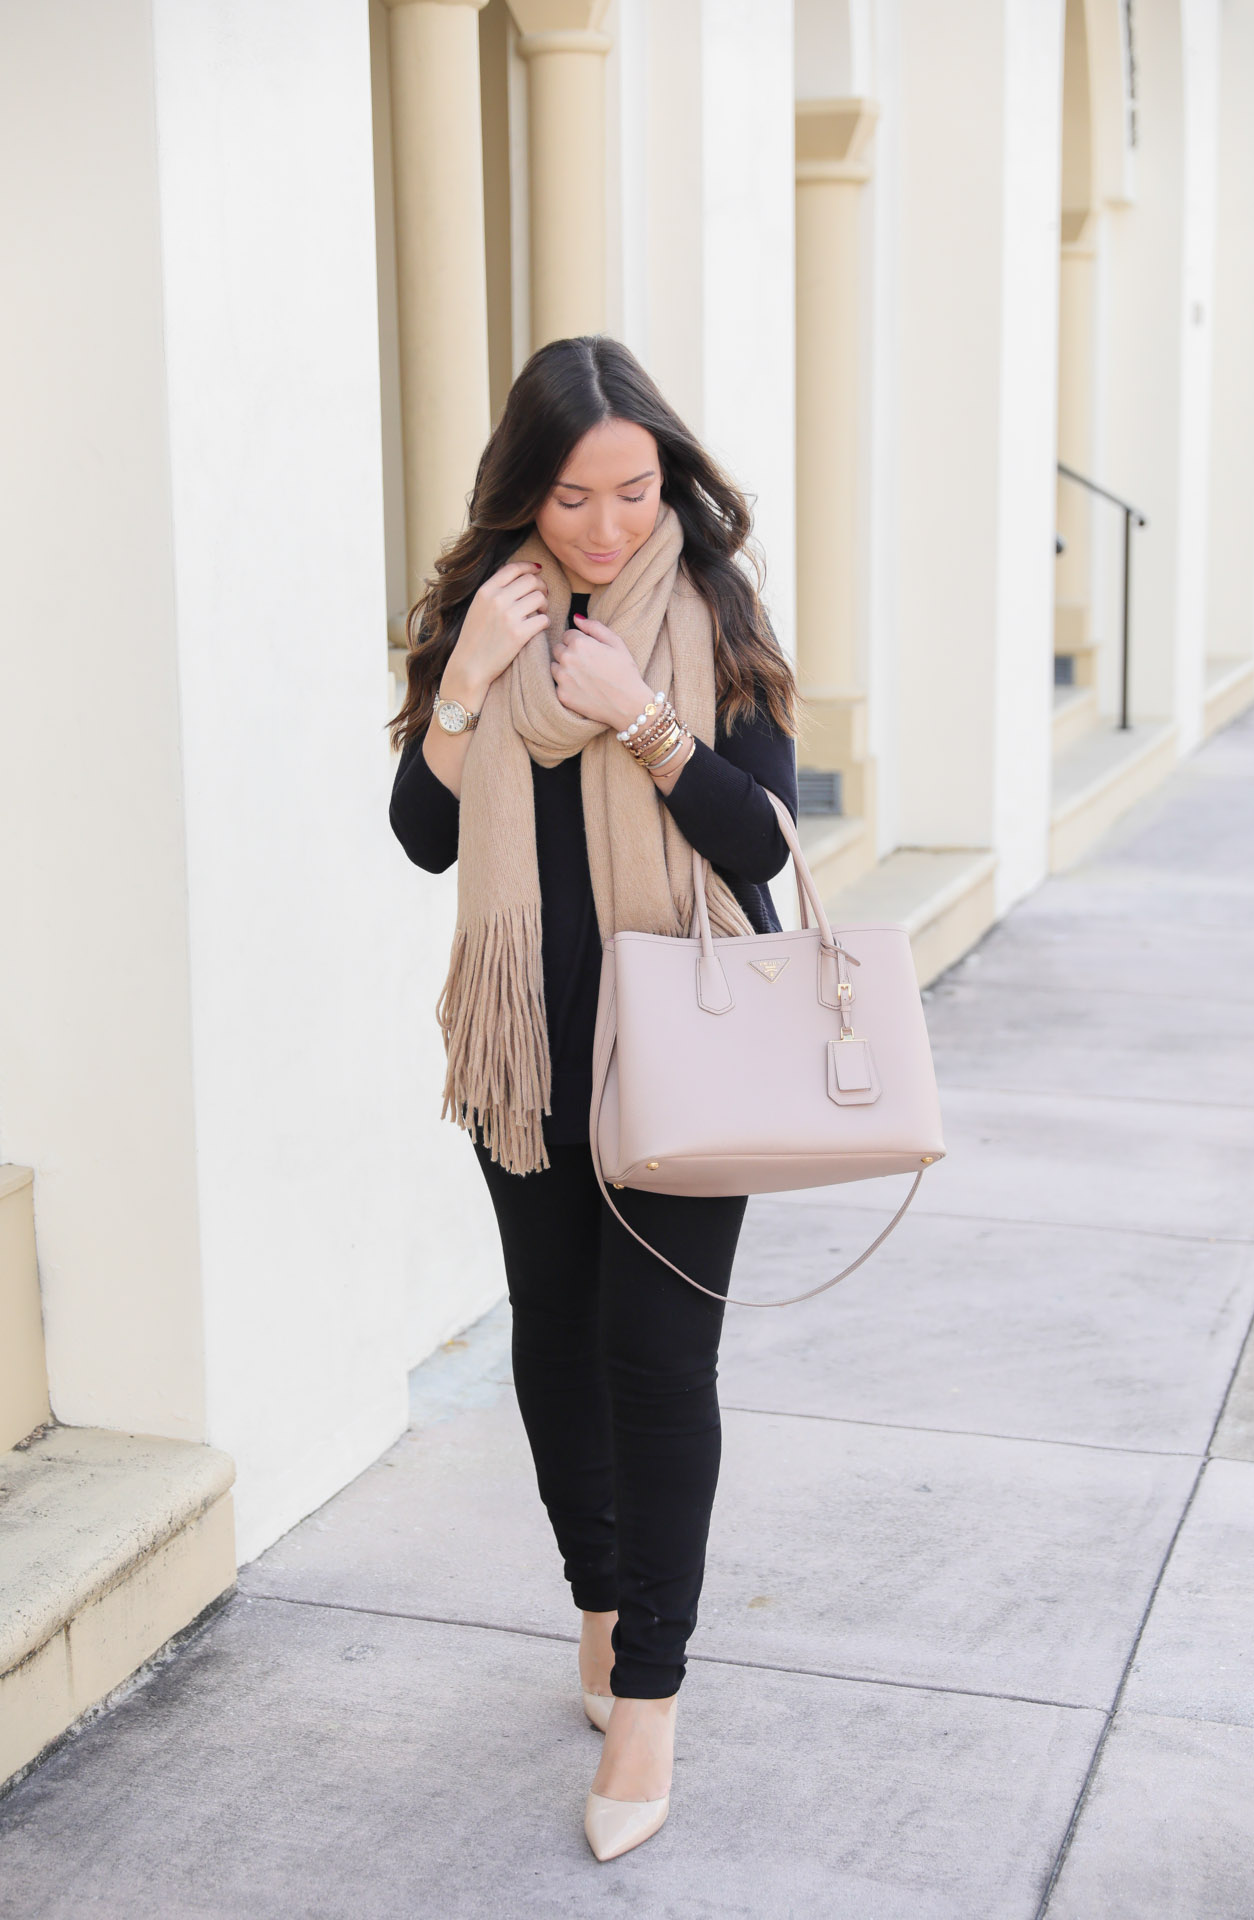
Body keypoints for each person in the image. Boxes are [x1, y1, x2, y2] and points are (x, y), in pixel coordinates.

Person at [389, 334, 798, 1862]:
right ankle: (601, 1601)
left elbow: (759, 841)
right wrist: (470, 687)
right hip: (532, 1050)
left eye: (635, 492)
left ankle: (651, 1697)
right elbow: (425, 836)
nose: (609, 527)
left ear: (668, 480)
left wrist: (637, 714)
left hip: (690, 1040)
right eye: (574, 498)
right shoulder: (484, 616)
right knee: (558, 1340)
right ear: (526, 492)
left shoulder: (711, 614)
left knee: (656, 1357)